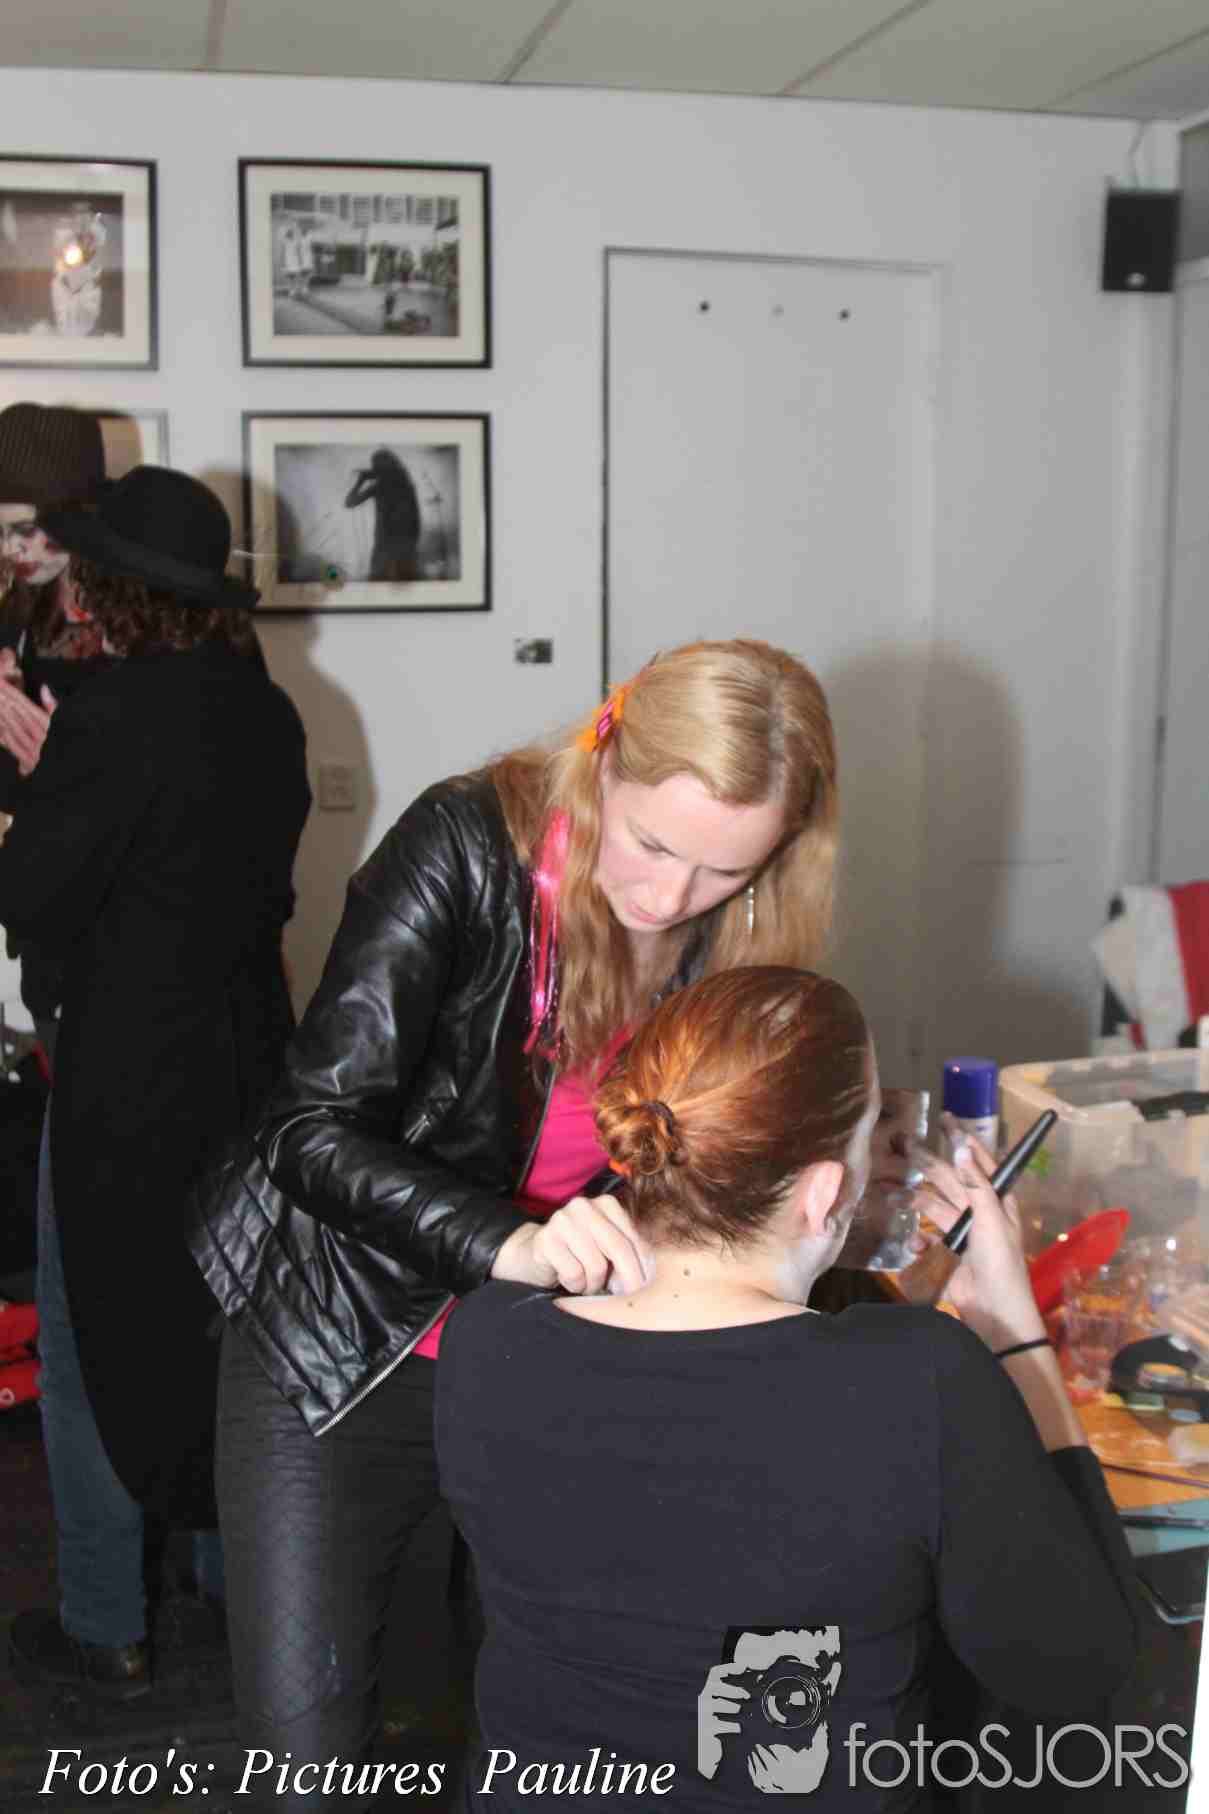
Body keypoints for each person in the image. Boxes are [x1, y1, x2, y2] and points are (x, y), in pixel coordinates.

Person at [190, 638, 850, 1806]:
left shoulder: (736, 927)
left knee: (542, 1730)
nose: (669, 898)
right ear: (603, 756)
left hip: (540, 1355)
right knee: (307, 1760)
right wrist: (513, 1241)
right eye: (651, 844)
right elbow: (309, 1129)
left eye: (723, 870)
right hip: (340, 1340)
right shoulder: (463, 847)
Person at [435, 967, 1140, 1811]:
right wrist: (1010, 1329)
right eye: (872, 1128)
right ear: (822, 1192)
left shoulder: (488, 1339)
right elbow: (1072, 1664)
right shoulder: (918, 1379)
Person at [0, 466, 311, 1700]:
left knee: (87, 1340)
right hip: (248, 1065)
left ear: (109, 591)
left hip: (126, 1074)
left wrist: (32, 791)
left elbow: (31, 897)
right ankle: (244, 1601)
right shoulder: (265, 709)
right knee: (230, 1329)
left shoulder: (114, 714)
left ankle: (105, 1622)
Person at [0, 402, 111, 1061]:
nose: (9, 550)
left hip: (128, 947)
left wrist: (63, 764)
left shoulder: (147, 622)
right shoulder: (19, 608)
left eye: (22, 530)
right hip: (42, 935)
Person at [344, 448, 422, 580]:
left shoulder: (382, 485)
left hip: (388, 543)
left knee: (381, 580)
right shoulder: (404, 484)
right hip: (401, 543)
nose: (375, 468)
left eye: (377, 465)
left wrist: (360, 481)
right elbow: (349, 503)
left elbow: (349, 503)